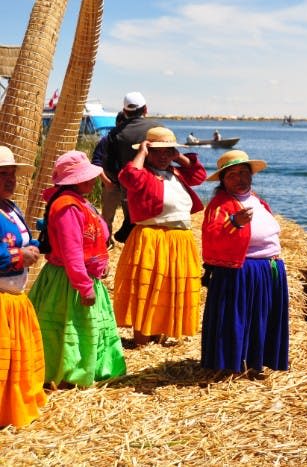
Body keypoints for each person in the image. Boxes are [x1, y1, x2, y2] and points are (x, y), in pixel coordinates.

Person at [28, 151, 126, 388]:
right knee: (68, 328)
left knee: (86, 327)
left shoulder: (80, 201)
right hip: (69, 281)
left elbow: (96, 235)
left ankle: (89, 369)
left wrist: (101, 263)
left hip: (84, 275)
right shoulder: (67, 207)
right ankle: (67, 374)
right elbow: (71, 251)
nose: (91, 180)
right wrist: (84, 286)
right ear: (72, 181)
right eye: (85, 177)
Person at [113, 127, 207, 347]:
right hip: (152, 237)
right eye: (158, 151)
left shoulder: (176, 172)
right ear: (148, 152)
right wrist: (142, 152)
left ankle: (159, 331)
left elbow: (198, 175)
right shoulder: (143, 173)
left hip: (178, 240)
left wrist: (178, 156)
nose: (163, 156)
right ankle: (142, 338)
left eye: (168, 151)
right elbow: (129, 177)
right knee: (147, 287)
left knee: (168, 287)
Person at [201, 150, 289, 373]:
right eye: (231, 175)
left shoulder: (258, 201)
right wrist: (234, 223)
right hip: (240, 272)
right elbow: (212, 237)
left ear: (251, 175)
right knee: (236, 320)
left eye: (243, 172)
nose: (239, 178)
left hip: (267, 270)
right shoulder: (220, 205)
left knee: (262, 319)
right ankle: (230, 365)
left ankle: (256, 363)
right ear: (223, 180)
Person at [0, 146, 46, 427]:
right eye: (2, 174)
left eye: (12, 174)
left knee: (13, 360)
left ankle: (12, 406)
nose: (10, 180)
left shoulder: (9, 207)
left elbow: (24, 239)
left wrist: (35, 246)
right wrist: (19, 256)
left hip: (13, 299)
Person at [102, 92, 162, 243]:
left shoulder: (115, 133)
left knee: (134, 230)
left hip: (129, 190)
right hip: (158, 188)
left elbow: (108, 164)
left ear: (125, 111)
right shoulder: (157, 128)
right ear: (145, 109)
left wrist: (119, 181)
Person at [91, 111, 126, 244]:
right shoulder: (107, 140)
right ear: (118, 123)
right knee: (107, 216)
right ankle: (106, 241)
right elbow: (96, 162)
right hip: (111, 183)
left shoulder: (131, 140)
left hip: (128, 185)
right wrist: (106, 181)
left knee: (131, 216)